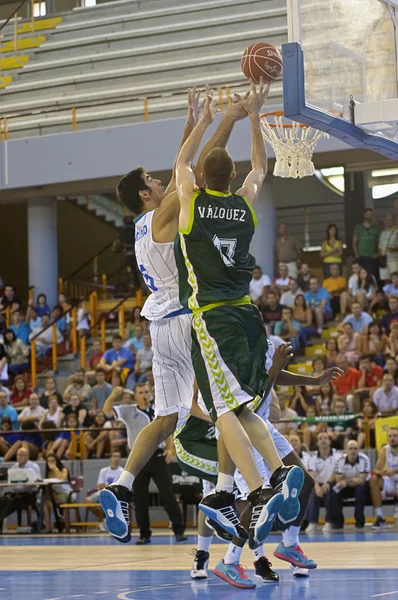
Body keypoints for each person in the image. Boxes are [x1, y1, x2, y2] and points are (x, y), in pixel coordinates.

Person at [99, 87, 269, 544]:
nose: (160, 182)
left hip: (159, 329)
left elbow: (180, 172)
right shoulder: (162, 216)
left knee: (167, 417)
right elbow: (189, 169)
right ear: (144, 193)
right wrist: (225, 118)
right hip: (186, 319)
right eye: (152, 182)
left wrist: (193, 120)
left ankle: (120, 486)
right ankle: (229, 493)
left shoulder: (144, 224)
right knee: (226, 408)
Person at [174, 81, 305, 547]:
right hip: (250, 318)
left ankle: (259, 488)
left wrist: (206, 120)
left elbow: (181, 166)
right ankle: (274, 473)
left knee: (221, 405)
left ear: (204, 179)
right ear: (232, 179)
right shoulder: (244, 202)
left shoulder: (193, 204)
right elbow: (262, 166)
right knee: (242, 405)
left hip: (214, 317)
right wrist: (254, 115)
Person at [103, 384, 187, 544]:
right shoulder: (129, 410)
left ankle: (179, 530)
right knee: (140, 498)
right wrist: (114, 395)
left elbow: (167, 430)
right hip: (138, 458)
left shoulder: (159, 408)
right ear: (136, 395)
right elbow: (106, 410)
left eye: (146, 392)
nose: (144, 394)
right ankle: (144, 533)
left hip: (157, 456)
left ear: (151, 393)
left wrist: (170, 449)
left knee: (167, 494)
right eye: (140, 392)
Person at [328, 440, 370, 531]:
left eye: (355, 449)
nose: (353, 451)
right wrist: (354, 479)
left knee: (360, 490)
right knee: (334, 489)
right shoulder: (340, 460)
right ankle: (337, 523)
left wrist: (346, 481)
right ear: (346, 450)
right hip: (344, 487)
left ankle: (359, 522)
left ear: (359, 450)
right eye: (350, 449)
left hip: (359, 487)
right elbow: (338, 479)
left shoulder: (365, 459)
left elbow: (361, 480)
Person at [0, 446, 41, 533]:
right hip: (15, 493)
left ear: (27, 456)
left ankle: (0, 518)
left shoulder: (33, 467)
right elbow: (9, 481)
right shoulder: (14, 467)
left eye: (23, 455)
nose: (20, 457)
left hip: (29, 495)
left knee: (14, 500)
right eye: (18, 455)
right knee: (3, 499)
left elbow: (38, 483)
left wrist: (27, 483)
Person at [306, 432, 336, 533]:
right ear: (317, 443)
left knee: (330, 490)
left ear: (329, 441)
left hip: (332, 483)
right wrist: (317, 487)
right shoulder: (312, 457)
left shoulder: (337, 454)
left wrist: (328, 483)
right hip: (318, 484)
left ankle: (329, 522)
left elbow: (337, 472)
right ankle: (313, 522)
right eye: (320, 438)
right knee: (313, 491)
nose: (323, 440)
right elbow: (311, 474)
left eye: (325, 438)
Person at [370, 427, 398, 529]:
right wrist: (382, 473)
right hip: (391, 481)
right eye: (390, 436)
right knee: (374, 480)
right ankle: (380, 517)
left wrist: (394, 471)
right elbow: (376, 470)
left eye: (395, 435)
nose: (392, 438)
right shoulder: (385, 450)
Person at [86, 451, 124, 525]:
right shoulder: (103, 471)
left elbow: (120, 487)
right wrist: (111, 487)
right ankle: (103, 518)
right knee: (88, 501)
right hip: (102, 492)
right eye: (114, 456)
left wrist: (107, 487)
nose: (116, 458)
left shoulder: (122, 472)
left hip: (115, 494)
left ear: (120, 459)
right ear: (110, 458)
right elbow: (100, 486)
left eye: (118, 456)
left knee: (106, 502)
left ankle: (104, 520)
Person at [43, 454, 71, 533]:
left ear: (57, 461)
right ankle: (48, 525)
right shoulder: (48, 473)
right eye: (49, 461)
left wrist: (55, 469)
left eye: (53, 461)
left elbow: (62, 479)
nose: (51, 463)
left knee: (49, 500)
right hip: (55, 494)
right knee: (45, 501)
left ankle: (58, 516)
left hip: (66, 493)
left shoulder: (64, 469)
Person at [353, 208, 380, 279]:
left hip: (372, 257)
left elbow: (380, 243)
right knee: (361, 276)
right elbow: (354, 242)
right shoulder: (358, 227)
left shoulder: (376, 228)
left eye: (371, 215)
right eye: (368, 214)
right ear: (364, 215)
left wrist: (378, 253)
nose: (369, 216)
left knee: (372, 276)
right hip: (361, 256)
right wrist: (356, 254)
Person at [379, 215, 398, 279]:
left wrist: (394, 249)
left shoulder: (397, 231)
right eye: (387, 220)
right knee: (385, 279)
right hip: (384, 260)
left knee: (395, 279)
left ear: (394, 221)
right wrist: (380, 257)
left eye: (390, 220)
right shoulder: (383, 233)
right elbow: (380, 246)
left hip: (394, 260)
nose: (389, 221)